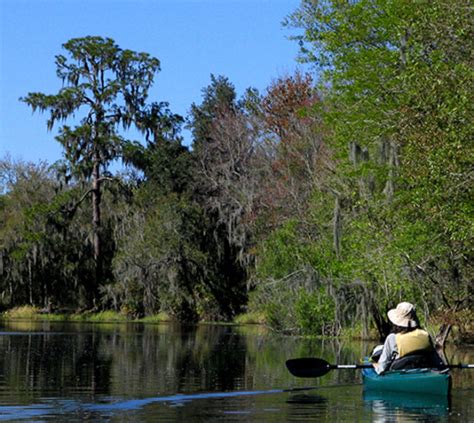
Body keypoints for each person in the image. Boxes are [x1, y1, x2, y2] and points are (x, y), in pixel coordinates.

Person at [373, 302, 443, 374]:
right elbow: (439, 363)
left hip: (399, 375)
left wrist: (376, 366)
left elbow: (381, 368)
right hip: (423, 372)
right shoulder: (425, 335)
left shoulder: (392, 338)